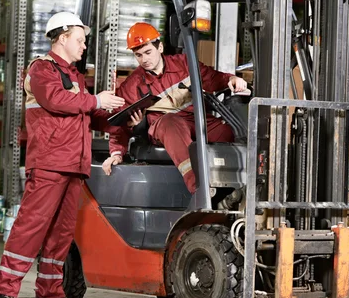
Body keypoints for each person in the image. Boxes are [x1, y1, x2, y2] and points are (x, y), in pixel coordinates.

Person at [0, 12, 127, 298]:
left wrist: (120, 116)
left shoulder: (76, 76)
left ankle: (49, 291)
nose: (83, 46)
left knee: (62, 232)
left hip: (73, 165)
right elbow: (55, 101)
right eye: (80, 40)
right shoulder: (42, 69)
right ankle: (3, 290)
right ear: (62, 38)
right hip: (50, 161)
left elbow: (85, 113)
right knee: (32, 225)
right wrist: (96, 101)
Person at [102, 22, 247, 193]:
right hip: (165, 127)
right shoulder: (132, 85)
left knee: (230, 130)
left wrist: (231, 80)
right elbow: (119, 124)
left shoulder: (184, 64)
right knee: (171, 122)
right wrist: (116, 153)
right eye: (139, 55)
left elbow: (211, 77)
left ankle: (238, 186)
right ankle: (199, 188)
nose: (144, 59)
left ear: (160, 47)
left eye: (148, 52)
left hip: (196, 120)